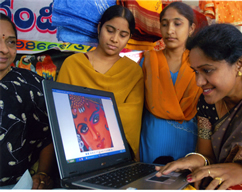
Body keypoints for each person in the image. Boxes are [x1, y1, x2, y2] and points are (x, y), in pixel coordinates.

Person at [155, 23, 242, 190]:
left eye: (207, 70)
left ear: (239, 65)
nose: (198, 82)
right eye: (195, 71)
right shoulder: (207, 102)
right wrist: (196, 159)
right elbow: (208, 156)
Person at [56, 5, 144, 161]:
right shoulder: (73, 65)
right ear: (99, 28)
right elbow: (61, 116)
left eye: (123, 35)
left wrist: (86, 110)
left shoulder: (133, 72)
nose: (114, 39)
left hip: (116, 157)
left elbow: (131, 121)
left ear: (129, 37)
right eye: (110, 30)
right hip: (75, 155)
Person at [139, 2, 202, 164]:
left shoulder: (200, 65)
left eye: (177, 24)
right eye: (164, 24)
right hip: (152, 143)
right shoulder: (148, 61)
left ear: (191, 28)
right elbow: (136, 107)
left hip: (188, 144)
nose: (170, 30)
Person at [0, 13, 55, 189]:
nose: (4, 49)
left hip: (16, 186)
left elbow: (49, 135)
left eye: (10, 42)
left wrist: (43, 174)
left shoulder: (32, 85)